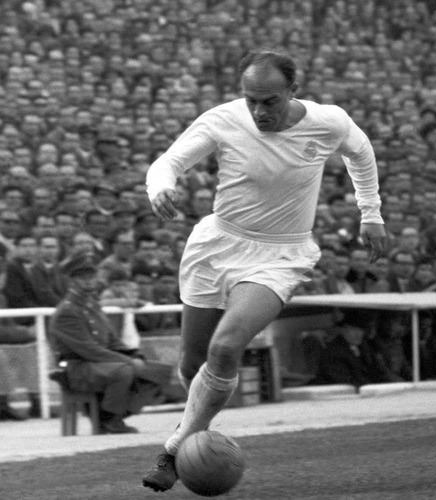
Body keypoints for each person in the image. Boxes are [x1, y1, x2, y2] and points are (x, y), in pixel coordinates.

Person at [141, 49, 386, 492]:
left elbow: (361, 152)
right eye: (251, 99)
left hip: (280, 255)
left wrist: (371, 213)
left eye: (269, 101)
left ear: (293, 91)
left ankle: (174, 451)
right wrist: (161, 187)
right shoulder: (223, 119)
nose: (259, 111)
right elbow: (168, 162)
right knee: (193, 362)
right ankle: (195, 433)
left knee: (225, 346)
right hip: (216, 246)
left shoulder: (327, 122)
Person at [49, 251, 171, 434]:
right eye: (83, 278)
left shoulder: (92, 304)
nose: (89, 281)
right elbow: (89, 350)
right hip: (77, 367)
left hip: (99, 363)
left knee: (159, 371)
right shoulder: (67, 311)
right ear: (72, 281)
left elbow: (112, 341)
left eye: (92, 276)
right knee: (124, 371)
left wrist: (133, 354)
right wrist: (128, 361)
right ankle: (110, 419)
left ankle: (106, 415)